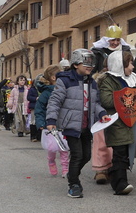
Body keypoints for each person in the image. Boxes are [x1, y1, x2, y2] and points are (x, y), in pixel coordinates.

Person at [46, 49, 110, 198]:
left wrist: (102, 114)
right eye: (86, 62)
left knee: (86, 155)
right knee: (77, 155)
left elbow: (96, 103)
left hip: (87, 125)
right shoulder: (65, 80)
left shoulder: (93, 82)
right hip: (71, 125)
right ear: (75, 64)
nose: (90, 66)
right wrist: (51, 120)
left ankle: (72, 174)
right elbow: (55, 101)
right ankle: (74, 184)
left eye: (92, 63)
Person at [99, 50, 136, 195]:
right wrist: (128, 97)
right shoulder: (108, 80)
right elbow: (106, 100)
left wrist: (135, 95)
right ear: (120, 65)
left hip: (130, 121)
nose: (133, 67)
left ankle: (116, 175)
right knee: (120, 152)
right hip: (117, 122)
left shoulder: (131, 78)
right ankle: (120, 184)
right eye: (130, 63)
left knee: (127, 151)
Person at [35, 65, 69, 177]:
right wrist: (40, 123)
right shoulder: (46, 93)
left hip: (63, 124)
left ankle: (65, 169)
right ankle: (51, 161)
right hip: (49, 126)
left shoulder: (65, 89)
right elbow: (39, 109)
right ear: (54, 78)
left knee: (64, 149)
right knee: (52, 148)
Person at [27, 75, 42, 142]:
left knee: (40, 121)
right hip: (34, 106)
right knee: (33, 121)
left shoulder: (42, 89)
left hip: (41, 107)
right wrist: (35, 98)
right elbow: (28, 97)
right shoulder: (32, 89)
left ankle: (39, 136)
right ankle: (33, 136)